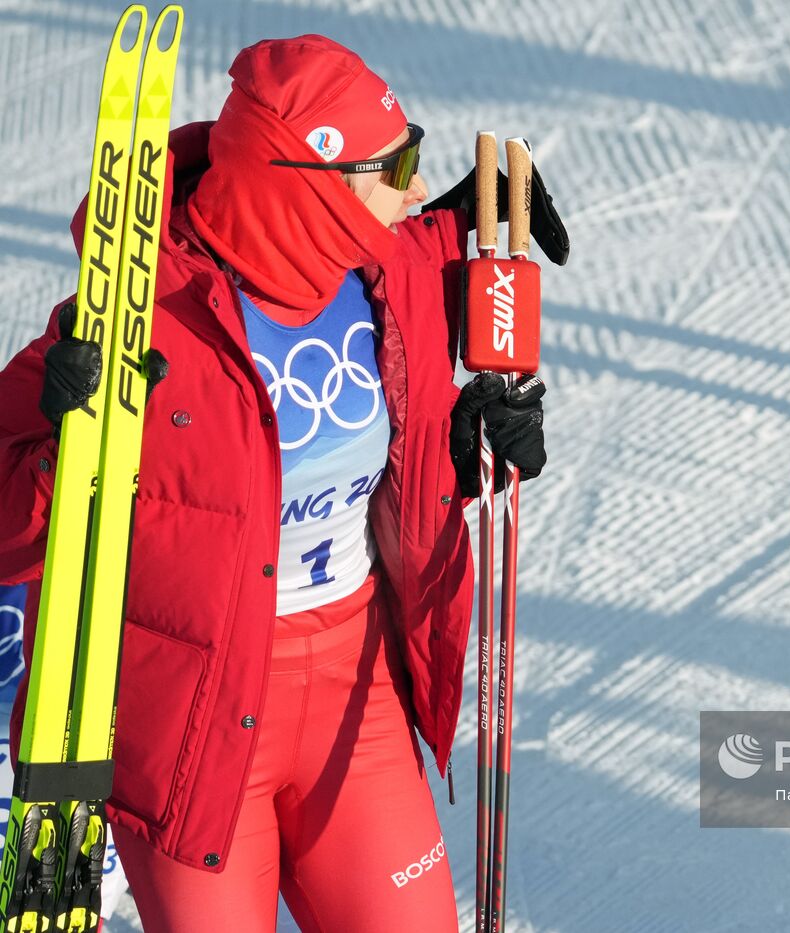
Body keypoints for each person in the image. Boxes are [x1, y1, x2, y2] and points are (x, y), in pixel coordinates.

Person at [0, 35, 567, 932]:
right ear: (311, 186)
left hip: (357, 693)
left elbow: (416, 429)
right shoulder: (137, 322)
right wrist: (59, 452)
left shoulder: (390, 279)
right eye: (397, 167)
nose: (418, 187)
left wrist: (469, 454)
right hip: (191, 729)